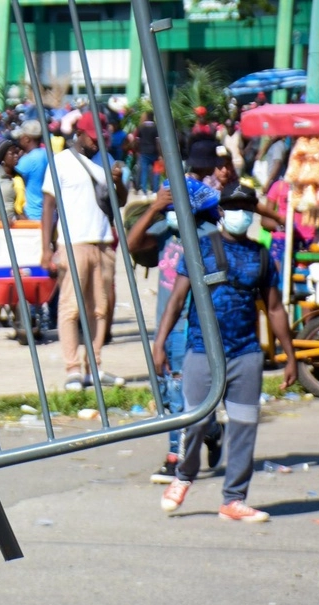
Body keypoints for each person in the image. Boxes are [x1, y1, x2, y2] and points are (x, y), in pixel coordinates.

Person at [152, 182, 297, 522]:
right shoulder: (200, 248)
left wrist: (290, 356)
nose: (239, 214)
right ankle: (184, 476)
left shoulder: (261, 255)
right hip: (203, 350)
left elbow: (275, 308)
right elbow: (176, 300)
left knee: (245, 426)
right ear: (221, 212)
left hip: (245, 352)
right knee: (195, 421)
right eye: (233, 207)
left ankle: (234, 499)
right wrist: (159, 344)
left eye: (246, 208)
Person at [126, 175, 225, 484]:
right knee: (170, 393)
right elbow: (131, 244)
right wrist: (154, 208)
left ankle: (175, 459)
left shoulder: (208, 235)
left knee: (177, 391)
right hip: (165, 324)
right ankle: (211, 430)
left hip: (190, 328)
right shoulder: (167, 233)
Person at [41, 112, 127, 391]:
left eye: (102, 138)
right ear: (79, 134)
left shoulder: (106, 162)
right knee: (71, 307)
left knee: (99, 308)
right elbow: (48, 206)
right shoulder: (60, 162)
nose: (97, 143)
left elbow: (120, 201)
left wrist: (118, 181)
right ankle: (73, 370)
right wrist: (45, 248)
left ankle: (94, 366)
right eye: (93, 138)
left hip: (103, 242)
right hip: (73, 242)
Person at [14, 119, 49, 221]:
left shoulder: (27, 161)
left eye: (20, 137)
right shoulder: (49, 155)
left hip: (31, 215)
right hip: (49, 214)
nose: (18, 140)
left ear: (26, 139)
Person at [134, 112, 159, 194]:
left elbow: (137, 141)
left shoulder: (141, 127)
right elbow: (157, 141)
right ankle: (155, 190)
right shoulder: (156, 127)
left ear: (147, 117)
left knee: (144, 171)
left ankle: (144, 191)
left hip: (144, 152)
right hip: (154, 152)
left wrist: (138, 150)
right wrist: (160, 153)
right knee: (156, 171)